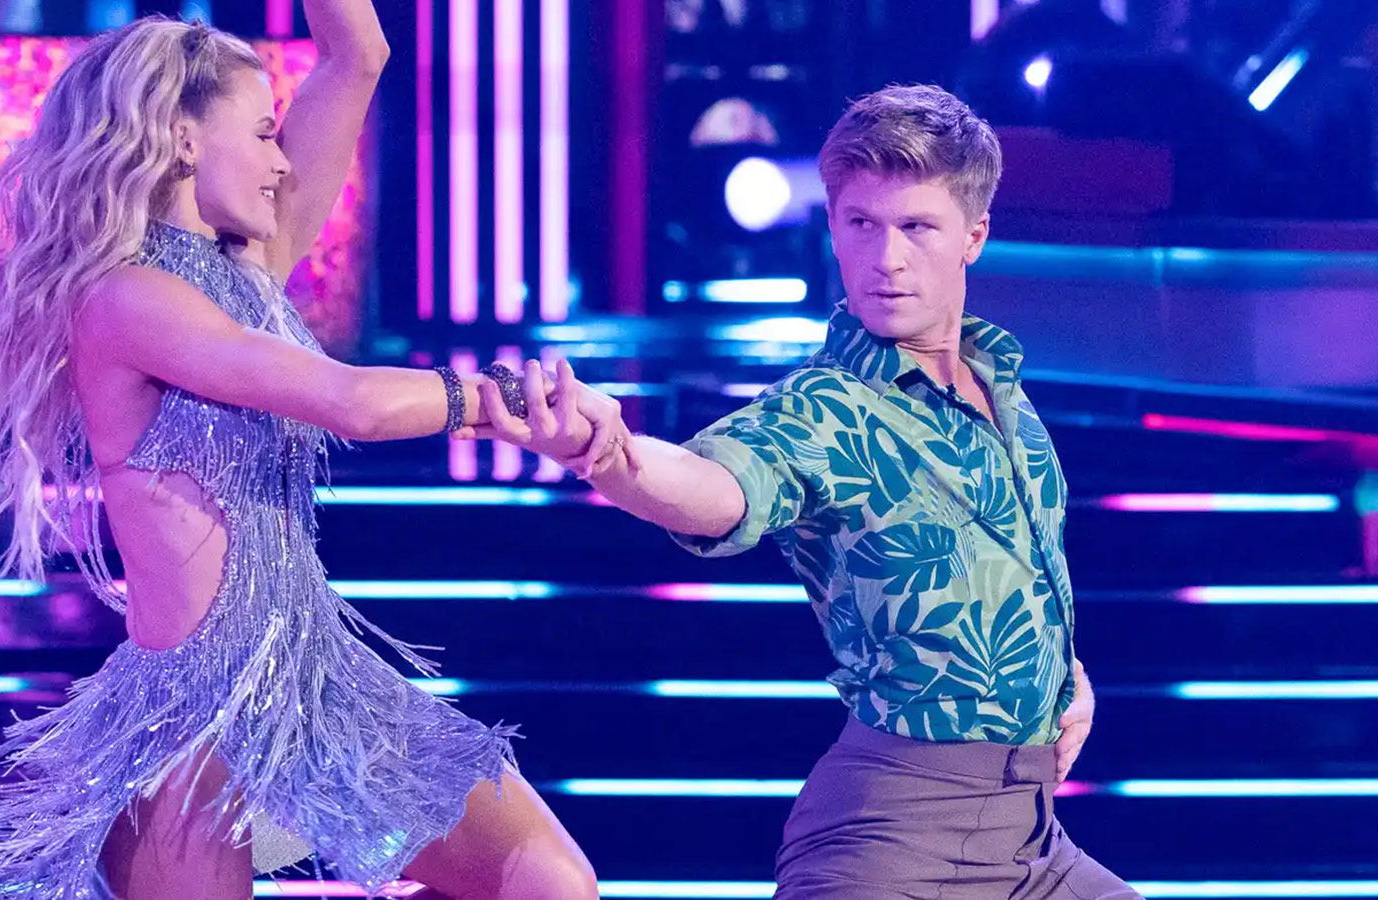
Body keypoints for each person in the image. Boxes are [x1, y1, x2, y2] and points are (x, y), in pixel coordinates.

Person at [0, 6, 608, 898]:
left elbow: (359, 52)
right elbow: (353, 404)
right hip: (193, 715)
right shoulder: (125, 298)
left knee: (548, 882)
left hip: (322, 681)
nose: (285, 159)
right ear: (182, 140)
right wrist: (513, 397)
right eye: (262, 132)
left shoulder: (253, 263)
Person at [472, 85, 1142, 899]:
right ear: (832, 228)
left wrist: (1061, 672)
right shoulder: (825, 409)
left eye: (916, 227)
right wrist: (605, 452)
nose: (886, 257)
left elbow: (1013, 568)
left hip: (1032, 838)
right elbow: (721, 487)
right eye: (861, 223)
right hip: (896, 835)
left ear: (974, 236)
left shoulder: (1001, 384)